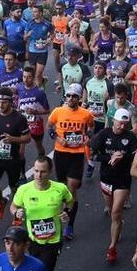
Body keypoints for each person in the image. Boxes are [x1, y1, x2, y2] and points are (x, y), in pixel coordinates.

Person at [47, 83, 95, 240]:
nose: (70, 99)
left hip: (77, 154)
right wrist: (59, 138)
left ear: (79, 98)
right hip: (61, 153)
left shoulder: (86, 114)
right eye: (68, 96)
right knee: (62, 189)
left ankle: (69, 225)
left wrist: (87, 136)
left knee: (71, 188)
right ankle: (62, 217)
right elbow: (50, 128)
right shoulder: (58, 111)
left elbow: (90, 128)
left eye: (74, 96)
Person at [8, 157, 72, 271]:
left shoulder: (60, 189)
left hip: (53, 241)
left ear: (50, 172)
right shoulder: (24, 190)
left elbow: (70, 201)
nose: (38, 175)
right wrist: (16, 213)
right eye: (36, 171)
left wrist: (66, 212)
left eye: (43, 172)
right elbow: (13, 206)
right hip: (32, 241)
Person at [91, 109, 137, 264]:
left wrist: (122, 158)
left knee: (116, 211)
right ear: (113, 121)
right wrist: (109, 157)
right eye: (120, 123)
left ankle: (112, 247)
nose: (122, 126)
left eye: (125, 123)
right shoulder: (104, 135)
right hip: (106, 177)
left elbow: (136, 157)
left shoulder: (130, 137)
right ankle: (117, 222)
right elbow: (93, 154)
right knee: (111, 209)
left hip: (123, 180)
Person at [0, 88, 30, 221]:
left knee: (15, 189)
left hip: (13, 160)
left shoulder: (19, 118)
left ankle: (17, 214)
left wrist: (13, 139)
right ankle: (2, 201)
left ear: (10, 102)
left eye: (4, 102)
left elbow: (27, 137)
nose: (0, 105)